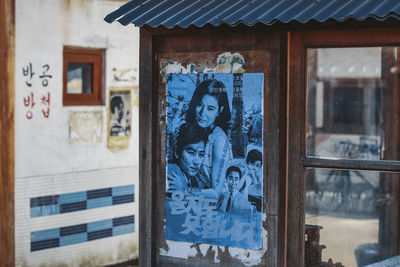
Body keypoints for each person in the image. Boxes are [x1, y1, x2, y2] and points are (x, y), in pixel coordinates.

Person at [186, 79, 232, 194]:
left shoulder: (219, 140)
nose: (202, 113)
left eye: (210, 109)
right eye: (199, 105)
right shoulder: (195, 131)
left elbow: (217, 193)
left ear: (219, 111)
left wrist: (184, 190)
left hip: (214, 206)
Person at [167, 123, 218, 198]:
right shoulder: (170, 173)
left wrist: (185, 190)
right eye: (191, 153)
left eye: (201, 154)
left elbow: (214, 194)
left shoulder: (193, 179)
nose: (197, 162)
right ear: (177, 152)